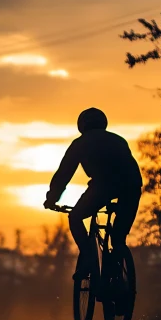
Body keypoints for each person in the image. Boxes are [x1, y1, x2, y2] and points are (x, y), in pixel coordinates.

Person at [44, 108, 142, 276]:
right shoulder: (119, 140)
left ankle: (89, 259)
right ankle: (118, 277)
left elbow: (64, 173)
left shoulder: (80, 143)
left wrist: (52, 198)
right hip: (132, 186)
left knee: (75, 217)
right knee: (118, 238)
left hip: (104, 186)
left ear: (81, 126)